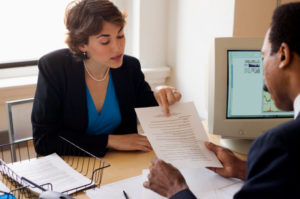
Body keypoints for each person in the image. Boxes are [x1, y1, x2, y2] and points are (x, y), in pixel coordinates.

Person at [144, 2, 300, 198]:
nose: (262, 75)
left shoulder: (280, 145)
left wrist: (176, 189)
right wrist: (242, 169)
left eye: (263, 56)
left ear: (283, 55)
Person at [31, 0, 181, 157]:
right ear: (82, 44)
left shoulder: (129, 67)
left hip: (122, 163)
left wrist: (161, 93)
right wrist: (109, 141)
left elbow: (152, 112)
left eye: (120, 36)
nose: (118, 48)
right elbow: (44, 141)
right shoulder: (54, 67)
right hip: (73, 167)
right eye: (105, 41)